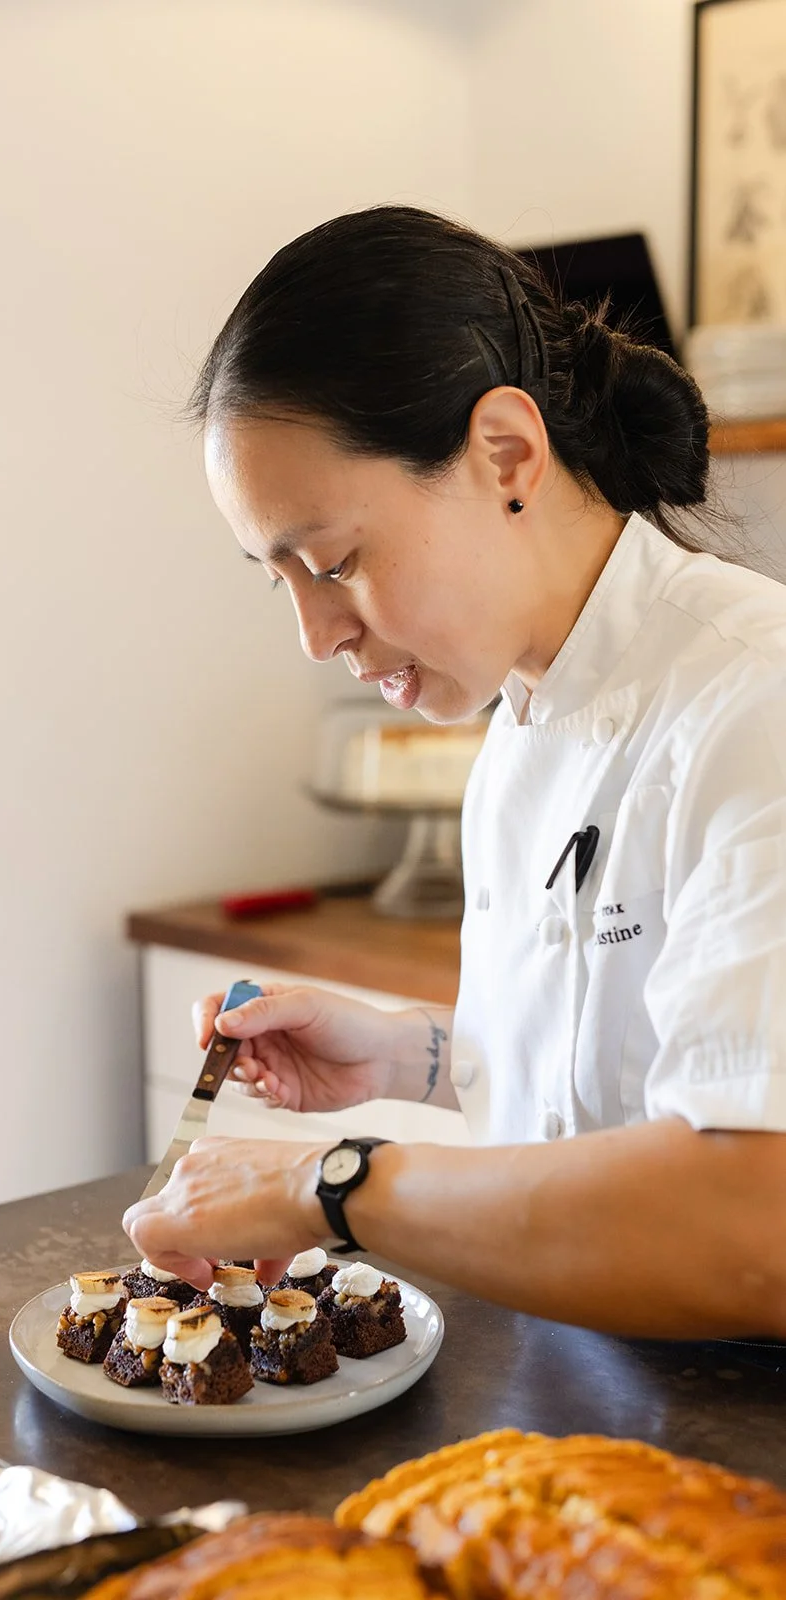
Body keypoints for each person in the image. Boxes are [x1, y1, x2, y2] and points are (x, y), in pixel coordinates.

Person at [123, 206, 786, 1338]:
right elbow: (596, 1095)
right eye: (274, 576)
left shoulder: (752, 700)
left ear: (504, 455)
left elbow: (750, 1222)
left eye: (334, 561)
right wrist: (409, 1052)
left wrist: (326, 1185)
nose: (313, 634)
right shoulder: (516, 728)